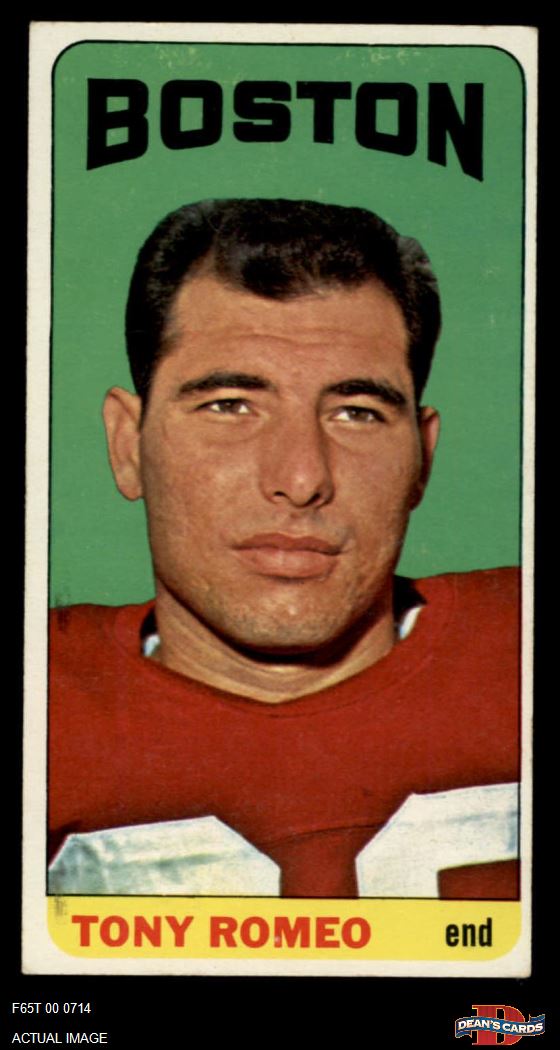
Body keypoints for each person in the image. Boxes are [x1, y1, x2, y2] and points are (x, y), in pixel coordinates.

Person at [48, 199, 519, 899]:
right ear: (127, 446)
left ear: (422, 457)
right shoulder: (45, 698)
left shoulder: (516, 647)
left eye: (357, 413)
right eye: (230, 405)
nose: (301, 479)